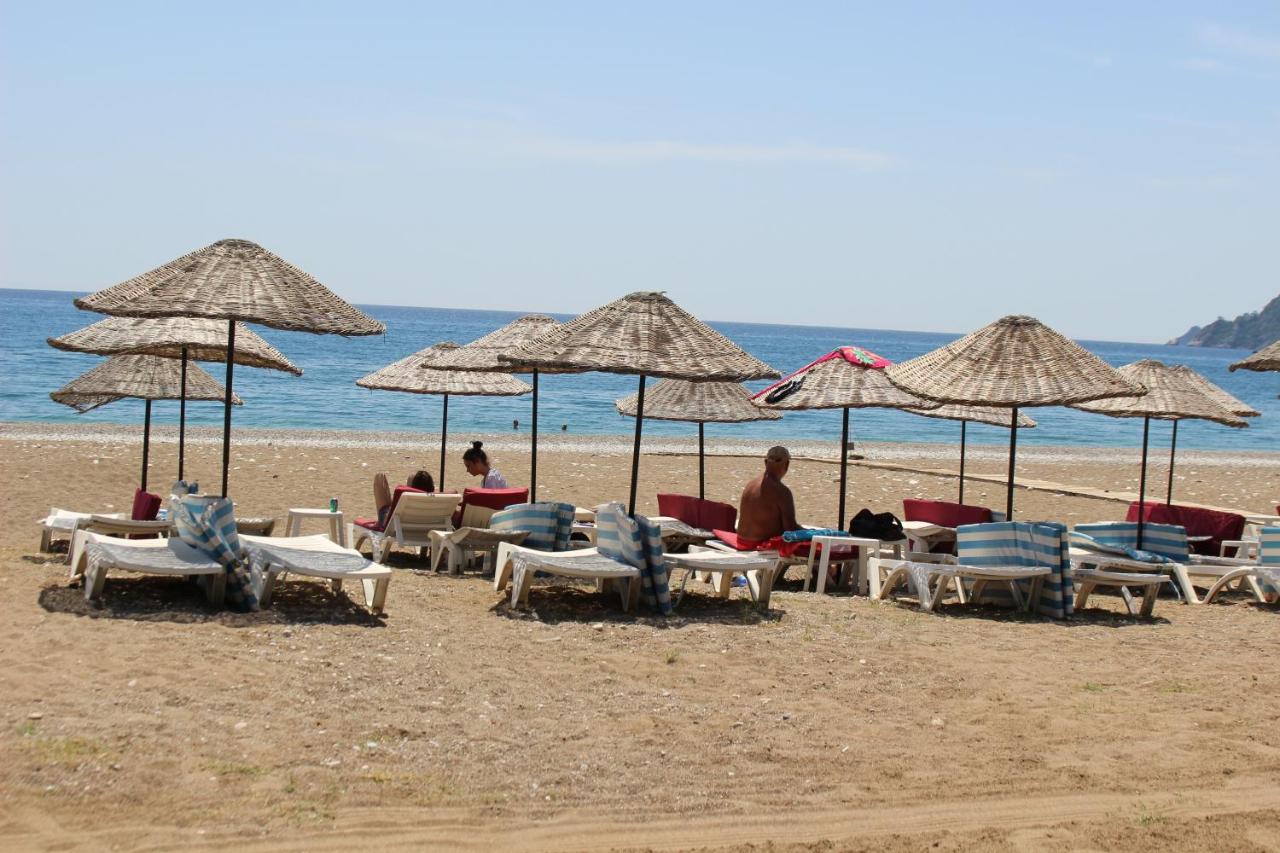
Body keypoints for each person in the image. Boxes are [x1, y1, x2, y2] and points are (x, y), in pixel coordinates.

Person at [736, 446, 798, 543]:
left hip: (741, 539)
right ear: (787, 465)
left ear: (765, 462)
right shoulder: (782, 491)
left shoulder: (750, 484)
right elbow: (790, 530)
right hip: (761, 544)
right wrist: (811, 532)